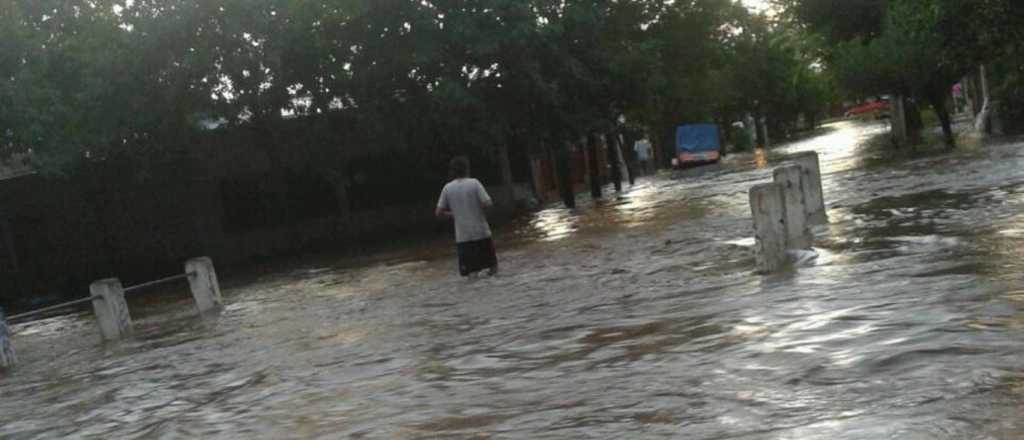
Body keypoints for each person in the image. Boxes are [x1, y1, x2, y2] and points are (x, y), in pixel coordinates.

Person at [436, 157, 498, 277]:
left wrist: (453, 214)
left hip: (463, 238)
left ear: (452, 171)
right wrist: (477, 209)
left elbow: (438, 212)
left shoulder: (447, 188)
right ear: (467, 169)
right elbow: (488, 203)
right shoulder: (474, 183)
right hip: (482, 233)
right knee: (493, 269)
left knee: (472, 274)